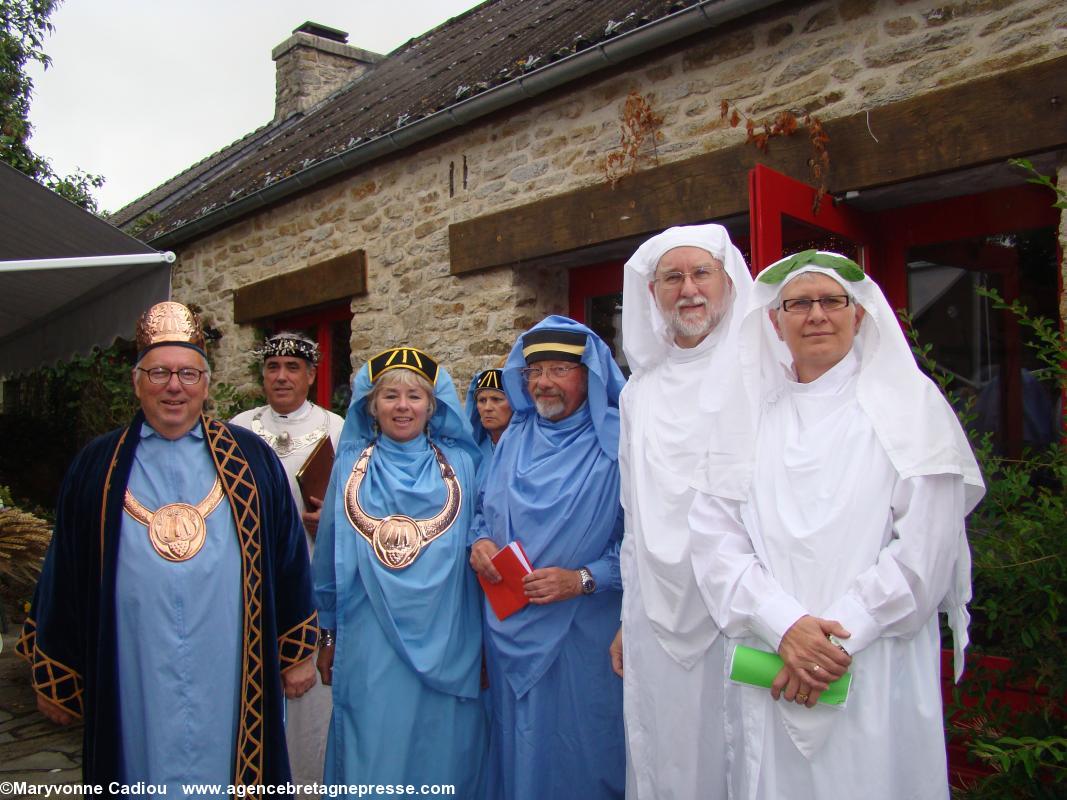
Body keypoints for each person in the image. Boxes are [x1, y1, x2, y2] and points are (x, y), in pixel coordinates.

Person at [688, 251, 984, 800]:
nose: (816, 315)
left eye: (832, 301)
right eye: (799, 303)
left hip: (874, 661)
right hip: (772, 661)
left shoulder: (910, 408)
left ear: (861, 313)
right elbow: (715, 542)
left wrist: (830, 643)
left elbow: (926, 550)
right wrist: (785, 626)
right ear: (774, 321)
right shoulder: (746, 415)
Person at [18, 301, 317, 790]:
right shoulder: (98, 465)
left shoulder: (251, 458)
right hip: (133, 658)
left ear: (205, 383)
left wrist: (297, 650)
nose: (174, 386)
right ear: (137, 382)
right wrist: (55, 672)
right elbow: (64, 570)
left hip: (233, 659)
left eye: (187, 374)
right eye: (159, 373)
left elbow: (287, 558)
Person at [609, 224, 753, 799]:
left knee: (739, 752)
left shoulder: (762, 371)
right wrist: (626, 614)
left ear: (728, 282)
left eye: (701, 274)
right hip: (653, 610)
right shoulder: (638, 392)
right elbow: (633, 516)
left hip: (744, 609)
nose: (688, 289)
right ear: (652, 294)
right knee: (663, 751)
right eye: (672, 277)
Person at [313, 347, 487, 797]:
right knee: (375, 748)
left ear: (433, 406)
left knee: (442, 753)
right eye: (391, 396)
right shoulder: (350, 467)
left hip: (450, 636)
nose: (403, 406)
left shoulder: (464, 466)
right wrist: (327, 632)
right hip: (371, 642)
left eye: (415, 396)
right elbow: (329, 553)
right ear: (372, 406)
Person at [470, 316, 627, 800]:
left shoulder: (621, 440)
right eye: (535, 370)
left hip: (585, 631)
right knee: (516, 745)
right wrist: (477, 544)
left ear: (590, 376)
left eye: (560, 369)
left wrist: (583, 578)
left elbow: (650, 543)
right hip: (509, 627)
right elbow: (481, 510)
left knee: (585, 749)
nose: (543, 382)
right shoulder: (514, 435)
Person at [231, 331, 344, 794]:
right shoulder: (236, 429)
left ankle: (311, 782)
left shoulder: (337, 428)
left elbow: (361, 506)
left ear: (312, 376)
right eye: (273, 368)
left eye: (292, 368)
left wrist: (330, 523)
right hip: (254, 579)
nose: (281, 377)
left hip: (317, 577)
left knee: (313, 699)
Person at [465, 367, 513, 487]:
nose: (487, 407)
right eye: (482, 400)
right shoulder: (472, 455)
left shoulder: (526, 450)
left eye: (496, 399)